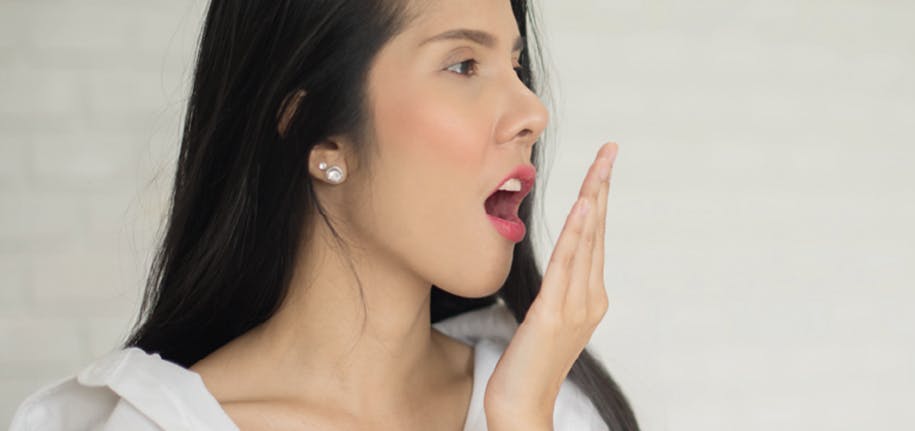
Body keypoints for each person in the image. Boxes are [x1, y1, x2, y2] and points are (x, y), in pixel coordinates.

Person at [10, 0, 639, 429]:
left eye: (516, 64)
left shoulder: (552, 400)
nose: (533, 111)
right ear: (320, 136)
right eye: (464, 64)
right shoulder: (162, 423)